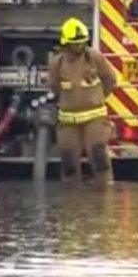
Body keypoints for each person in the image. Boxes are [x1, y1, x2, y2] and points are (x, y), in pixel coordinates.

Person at [49, 17, 118, 183]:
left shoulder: (94, 58)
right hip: (68, 121)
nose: (79, 46)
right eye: (75, 43)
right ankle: (72, 203)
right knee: (69, 164)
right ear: (66, 44)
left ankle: (104, 202)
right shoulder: (57, 63)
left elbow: (110, 79)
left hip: (94, 119)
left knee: (99, 157)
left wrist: (98, 98)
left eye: (81, 42)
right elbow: (55, 88)